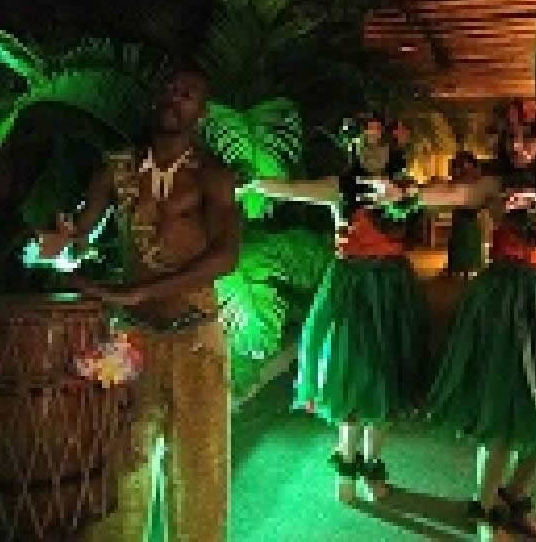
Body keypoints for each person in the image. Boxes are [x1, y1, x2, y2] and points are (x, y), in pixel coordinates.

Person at [386, 100, 536, 540]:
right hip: (503, 301)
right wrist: (408, 195)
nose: (518, 147)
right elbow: (456, 195)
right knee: (502, 409)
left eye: (528, 138)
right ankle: (485, 510)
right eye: (511, 139)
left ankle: (513, 498)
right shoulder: (496, 183)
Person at [37, 67, 239, 542]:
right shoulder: (116, 169)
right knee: (120, 463)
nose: (175, 98)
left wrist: (143, 291)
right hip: (131, 339)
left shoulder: (212, 175)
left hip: (196, 336)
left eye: (187, 94)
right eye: (168, 88)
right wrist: (64, 239)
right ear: (154, 97)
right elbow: (80, 234)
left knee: (201, 469)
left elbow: (226, 256)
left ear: (202, 111)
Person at [240, 115, 427, 503]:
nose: (372, 151)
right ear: (353, 147)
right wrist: (254, 184)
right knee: (351, 373)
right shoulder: (339, 187)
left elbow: (454, 195)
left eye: (380, 144)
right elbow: (294, 190)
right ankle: (346, 460)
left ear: (393, 148)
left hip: (392, 291)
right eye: (365, 144)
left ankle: (372, 464)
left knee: (386, 376)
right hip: (350, 289)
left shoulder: (407, 189)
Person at [446, 150, 485, 278]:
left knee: (470, 237)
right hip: (462, 208)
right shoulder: (458, 172)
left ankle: (469, 267)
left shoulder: (474, 173)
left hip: (471, 209)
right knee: (460, 237)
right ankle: (458, 267)